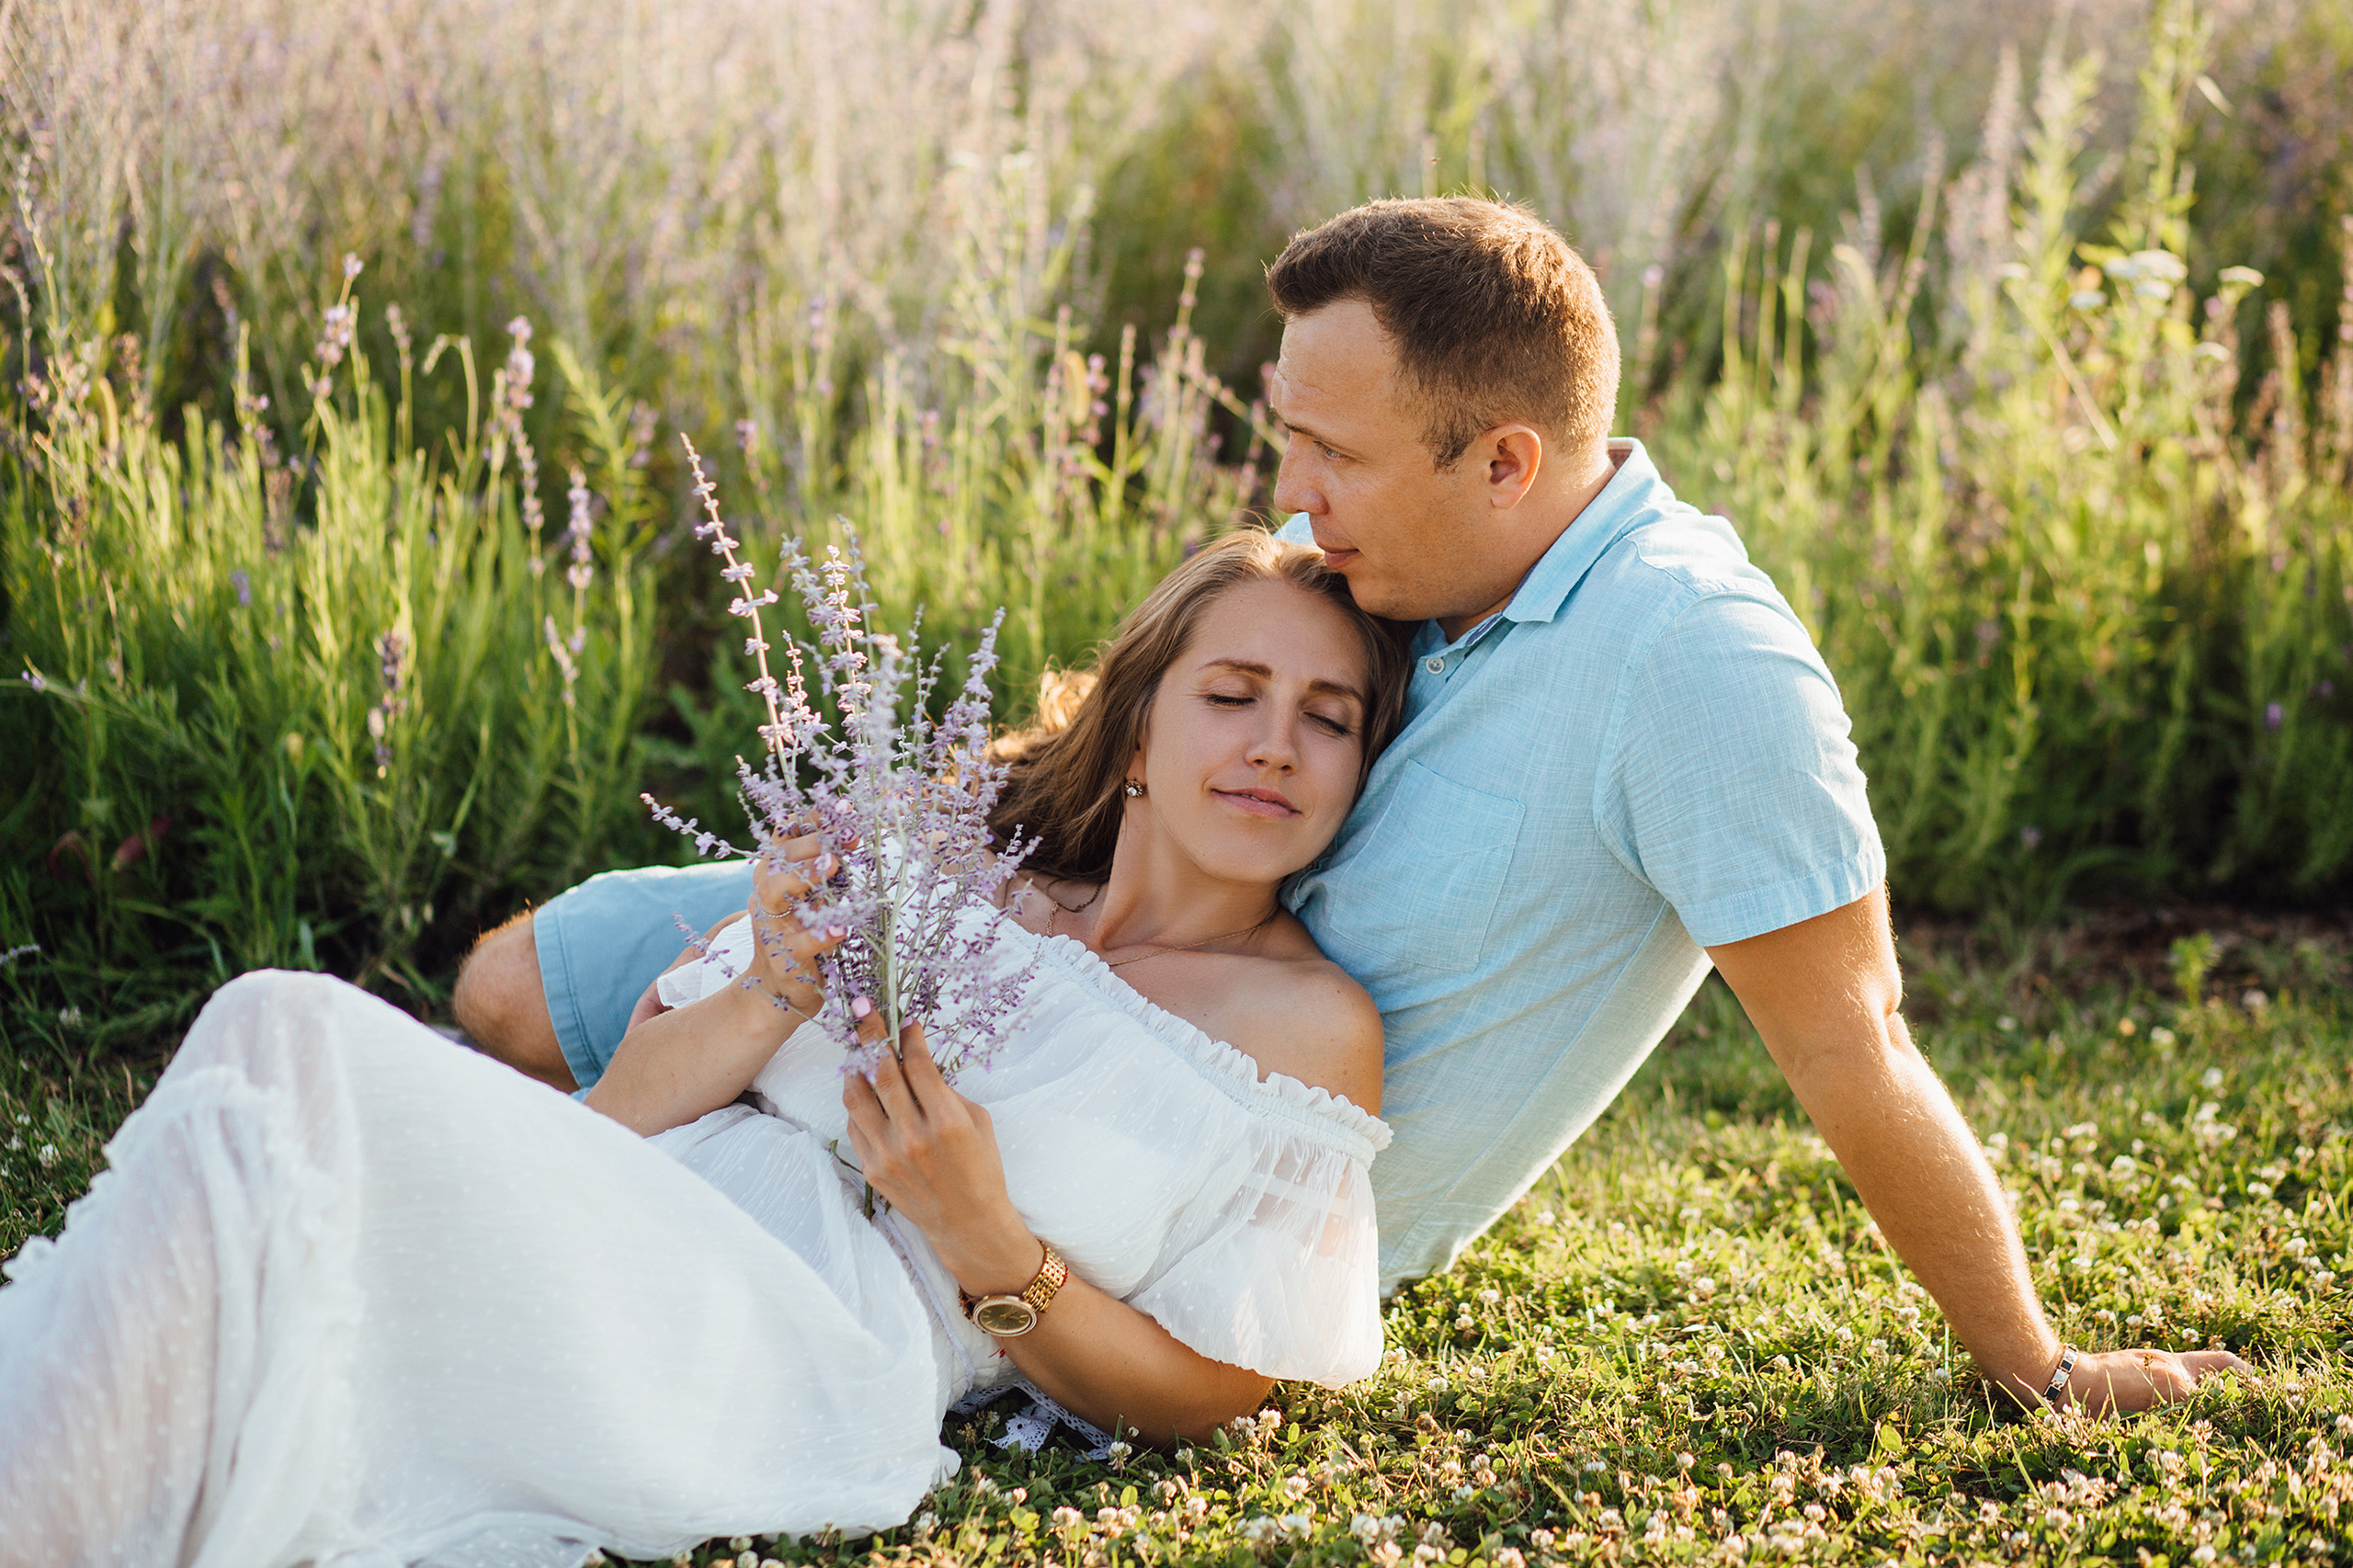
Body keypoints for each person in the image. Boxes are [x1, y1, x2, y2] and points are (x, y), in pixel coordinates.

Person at [457, 197, 2248, 1417]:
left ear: (1503, 461)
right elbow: (1184, 697)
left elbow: (1852, 1045)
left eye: (1333, 454)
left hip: (1147, 1108)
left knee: (534, 1116)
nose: (1294, 499)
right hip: (1027, 930)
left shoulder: (1688, 666)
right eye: (1285, 441)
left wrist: (2025, 1360)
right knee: (504, 994)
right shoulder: (1431, 577)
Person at [0, 533, 1408, 1566]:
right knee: (271, 1030)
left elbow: (1221, 1389)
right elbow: (612, 1115)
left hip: (802, 1329)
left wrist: (991, 1243)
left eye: (1327, 719)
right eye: (1234, 691)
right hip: (626, 1198)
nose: (1275, 744)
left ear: (1354, 771)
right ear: (1142, 728)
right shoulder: (945, 851)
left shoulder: (1304, 1028)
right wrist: (771, 991)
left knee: (282, 1079)